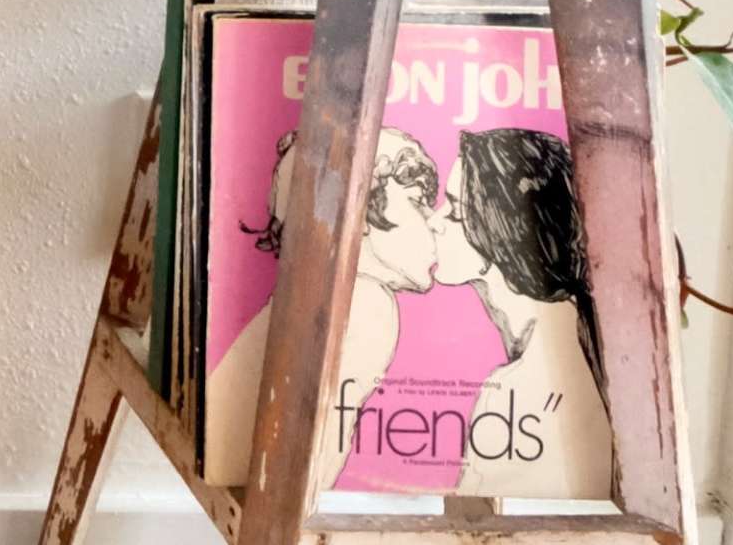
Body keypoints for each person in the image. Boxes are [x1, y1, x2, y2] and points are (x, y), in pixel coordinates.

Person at [209, 131, 448, 486]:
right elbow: (307, 478)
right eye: (417, 201)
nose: (435, 221)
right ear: (361, 214)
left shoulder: (312, 294)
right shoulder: (366, 305)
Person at [439, 126, 606, 493]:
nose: (435, 224)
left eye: (452, 212)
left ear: (498, 232)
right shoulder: (572, 337)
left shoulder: (514, 391)